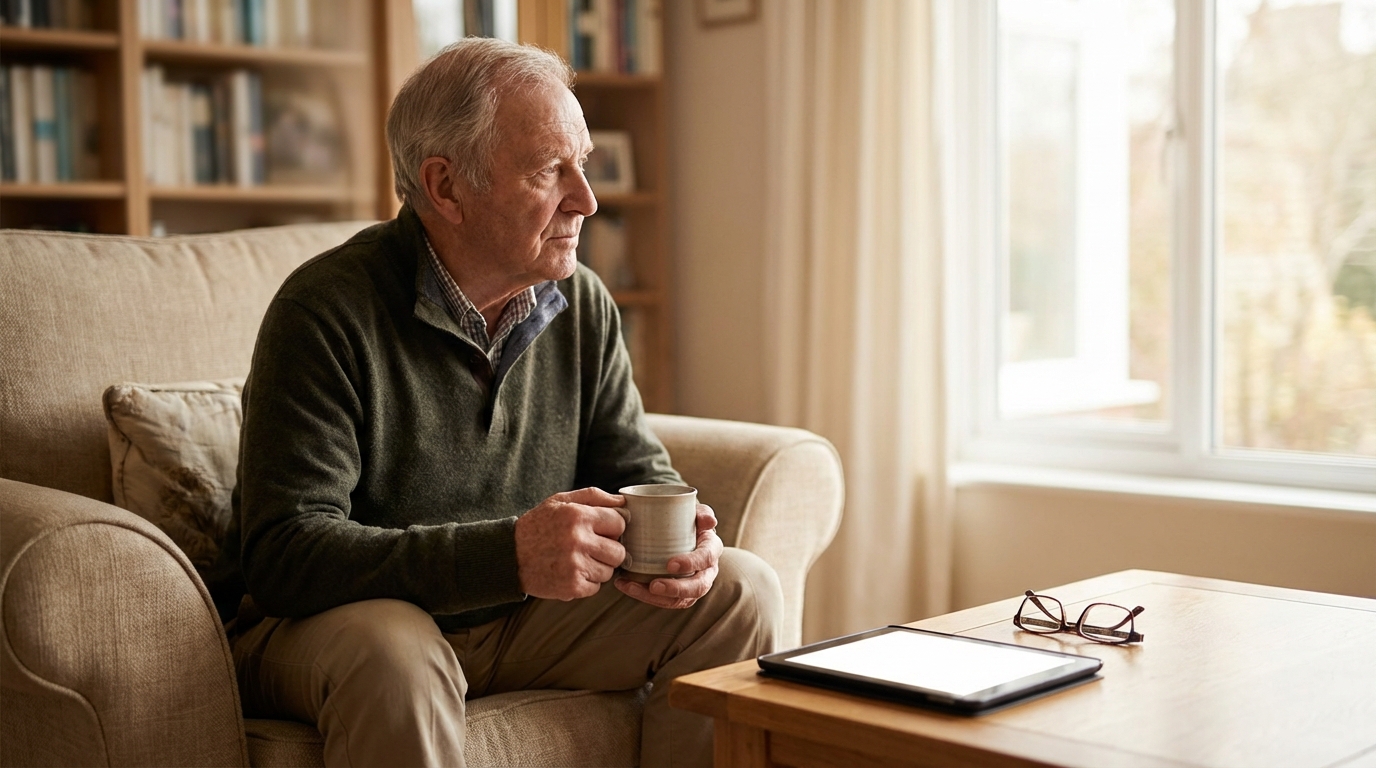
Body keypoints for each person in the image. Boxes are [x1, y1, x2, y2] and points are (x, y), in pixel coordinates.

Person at [206, 36, 784, 768]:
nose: (588, 199)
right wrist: (510, 554)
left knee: (741, 589)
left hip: (514, 621)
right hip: (332, 627)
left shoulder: (582, 305)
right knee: (395, 652)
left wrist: (684, 540)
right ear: (445, 188)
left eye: (586, 166)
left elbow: (636, 468)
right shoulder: (324, 311)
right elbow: (284, 555)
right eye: (552, 170)